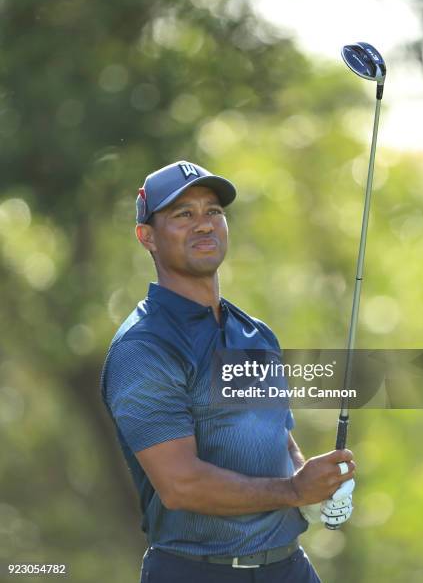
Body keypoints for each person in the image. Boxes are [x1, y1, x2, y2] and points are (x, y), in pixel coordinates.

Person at [100, 160, 356, 583]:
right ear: (147, 237)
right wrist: (294, 491)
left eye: (213, 212)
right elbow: (180, 484)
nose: (203, 224)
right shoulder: (144, 348)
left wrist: (318, 483)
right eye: (183, 214)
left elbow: (276, 436)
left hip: (289, 568)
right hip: (195, 572)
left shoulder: (255, 334)